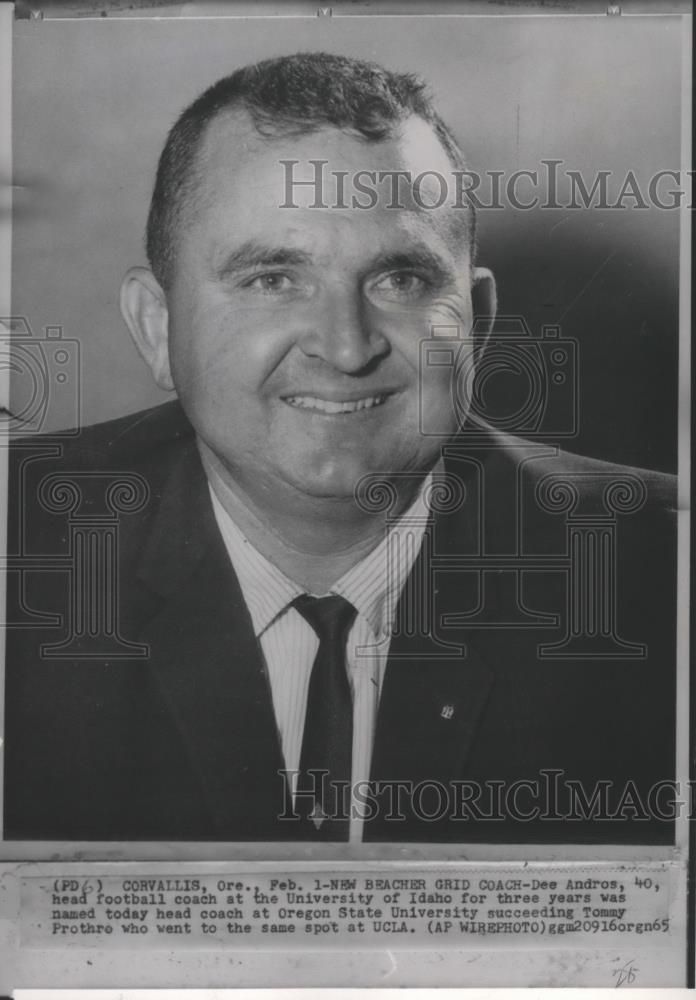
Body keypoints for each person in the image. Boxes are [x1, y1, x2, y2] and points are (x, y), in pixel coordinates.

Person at [3, 53, 677, 844]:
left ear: (480, 324)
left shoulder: (665, 574)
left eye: (400, 281)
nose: (345, 346)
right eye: (271, 279)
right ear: (157, 327)